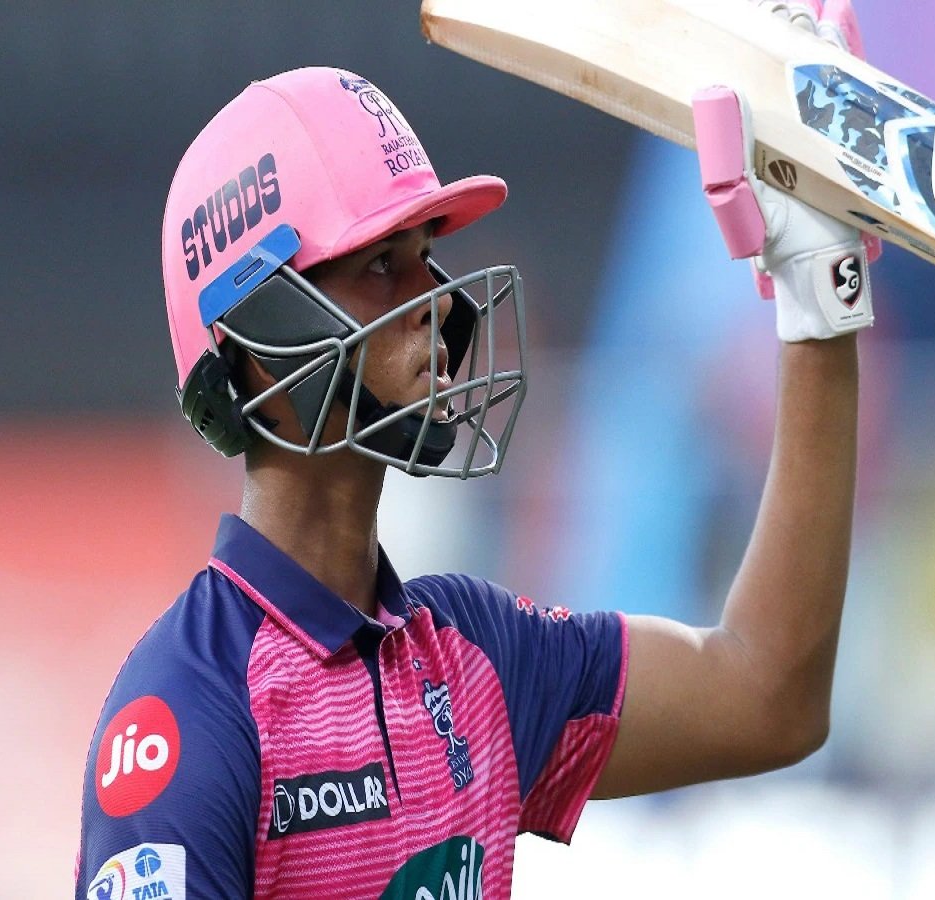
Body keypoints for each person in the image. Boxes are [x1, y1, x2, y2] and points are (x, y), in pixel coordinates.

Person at [75, 2, 875, 896]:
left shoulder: (476, 649)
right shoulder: (187, 713)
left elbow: (769, 695)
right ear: (264, 339)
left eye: (425, 256)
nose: (438, 300)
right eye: (382, 264)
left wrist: (817, 297)